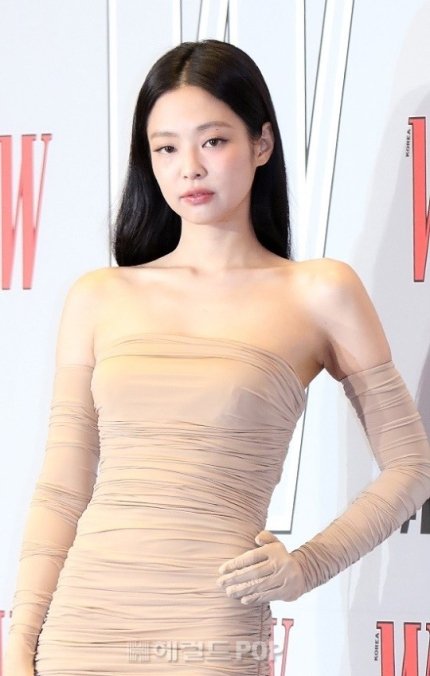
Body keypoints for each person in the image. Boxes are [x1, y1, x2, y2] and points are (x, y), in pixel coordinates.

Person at [4, 38, 430, 676]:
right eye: (166, 148)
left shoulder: (320, 292)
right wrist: (19, 640)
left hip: (212, 623)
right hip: (82, 624)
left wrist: (305, 566)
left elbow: (411, 466)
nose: (190, 169)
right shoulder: (99, 296)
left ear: (262, 143)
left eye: (213, 141)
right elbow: (63, 488)